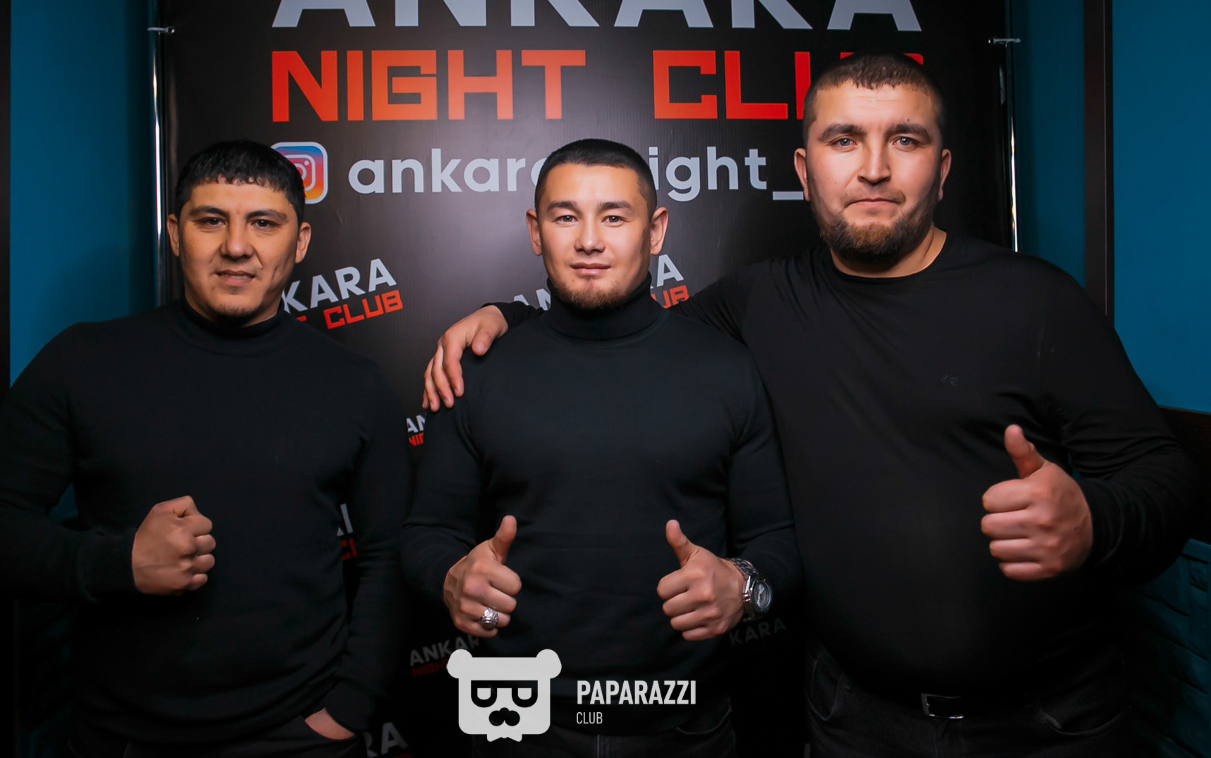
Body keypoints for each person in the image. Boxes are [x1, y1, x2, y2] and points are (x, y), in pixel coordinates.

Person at [421, 54, 1206, 756]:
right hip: (853, 719)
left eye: (904, 139)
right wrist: (508, 319)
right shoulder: (759, 303)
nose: (873, 168)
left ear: (943, 168)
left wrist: (1095, 520)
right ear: (805, 167)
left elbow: (1166, 478)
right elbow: (616, 321)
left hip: (1048, 721)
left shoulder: (1035, 301)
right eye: (844, 140)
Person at [0, 140, 412, 757]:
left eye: (263, 223)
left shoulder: (355, 384)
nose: (236, 246)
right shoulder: (84, 361)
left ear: (300, 242)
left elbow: (390, 555)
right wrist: (118, 564)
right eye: (210, 220)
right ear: (174, 233)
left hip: (299, 737)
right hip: (121, 738)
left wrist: (352, 706)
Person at [401, 138, 800, 757]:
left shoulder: (726, 369)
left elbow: (777, 539)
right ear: (535, 231)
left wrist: (744, 586)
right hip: (518, 723)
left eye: (614, 217)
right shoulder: (475, 370)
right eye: (566, 217)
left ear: (655, 230)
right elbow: (426, 533)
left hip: (685, 726)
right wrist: (449, 576)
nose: (589, 240)